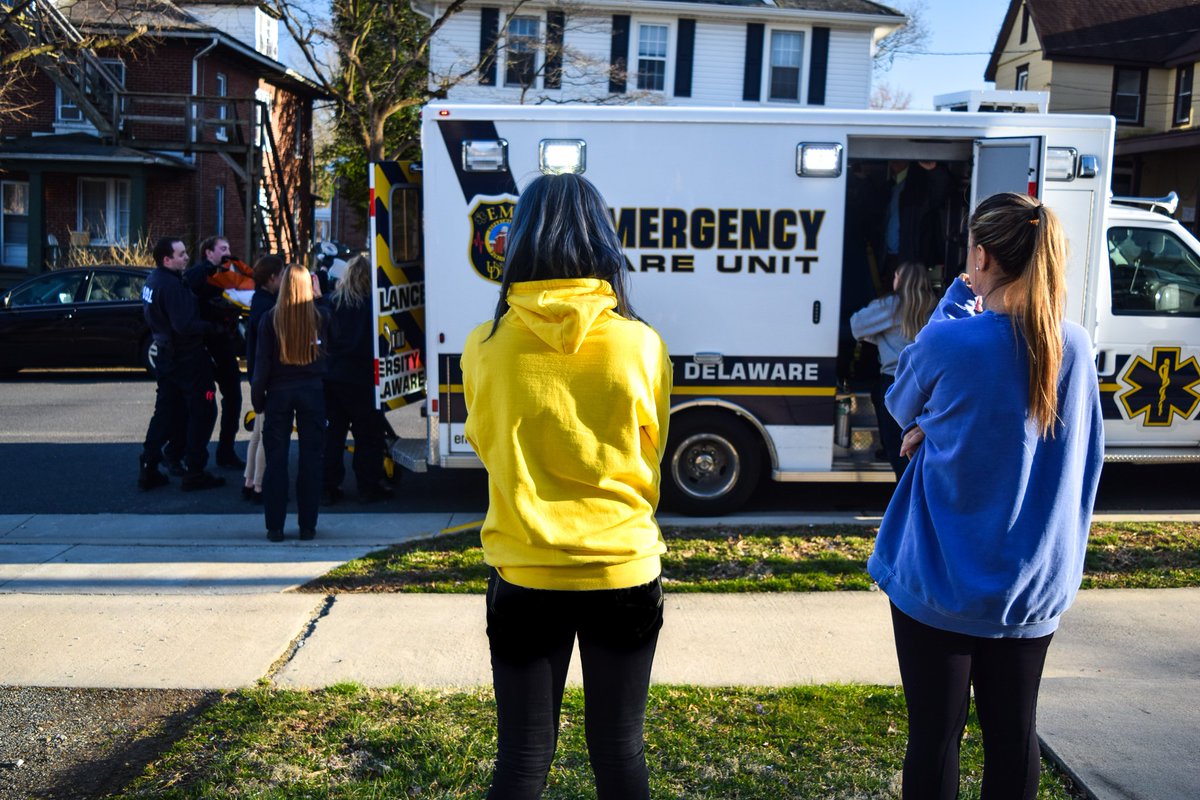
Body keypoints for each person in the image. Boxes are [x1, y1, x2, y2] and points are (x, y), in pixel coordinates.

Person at [867, 192, 1104, 799]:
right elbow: (1087, 457)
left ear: (981, 255)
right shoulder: (1073, 347)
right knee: (1013, 735)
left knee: (935, 739)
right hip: (1032, 587)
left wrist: (951, 306)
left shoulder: (951, 342)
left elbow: (899, 408)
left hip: (940, 581)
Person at [461, 173, 672, 800]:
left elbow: (485, 444)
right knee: (620, 751)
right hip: (624, 568)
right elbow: (650, 445)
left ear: (517, 243)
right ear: (603, 240)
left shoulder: (485, 345)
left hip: (526, 570)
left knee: (523, 760)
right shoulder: (640, 343)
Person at [138, 237, 225, 492]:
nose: (187, 257)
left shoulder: (153, 280)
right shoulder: (172, 286)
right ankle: (194, 470)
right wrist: (214, 327)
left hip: (167, 358)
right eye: (181, 254)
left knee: (166, 411)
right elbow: (184, 325)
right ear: (167, 259)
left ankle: (149, 465)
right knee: (205, 408)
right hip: (188, 358)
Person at [251, 264, 330, 542]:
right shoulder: (319, 317)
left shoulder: (270, 320)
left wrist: (257, 400)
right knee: (311, 460)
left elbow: (261, 367)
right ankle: (307, 526)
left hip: (279, 393)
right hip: (312, 391)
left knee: (276, 461)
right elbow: (335, 347)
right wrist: (321, 296)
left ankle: (275, 527)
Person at [850, 261, 937, 480]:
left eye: (896, 276)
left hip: (894, 383)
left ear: (901, 280)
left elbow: (856, 325)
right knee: (919, 445)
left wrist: (880, 335)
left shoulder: (891, 305)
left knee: (896, 446)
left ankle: (904, 498)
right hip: (928, 385)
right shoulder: (935, 305)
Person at [322, 254, 392, 504]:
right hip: (363, 379)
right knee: (368, 436)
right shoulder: (374, 305)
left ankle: (328, 487)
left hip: (332, 376)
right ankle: (368, 486)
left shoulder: (331, 302)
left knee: (333, 436)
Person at [181, 235, 251, 469]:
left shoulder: (223, 274)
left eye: (229, 246)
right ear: (208, 253)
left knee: (231, 398)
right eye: (223, 248)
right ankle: (190, 455)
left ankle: (223, 452)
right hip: (206, 347)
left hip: (221, 345)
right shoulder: (200, 274)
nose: (228, 251)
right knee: (205, 402)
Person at [241, 254, 285, 502]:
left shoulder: (258, 301)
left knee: (258, 432)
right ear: (272, 278)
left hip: (257, 374)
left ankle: (249, 480)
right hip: (266, 376)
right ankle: (259, 486)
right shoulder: (268, 306)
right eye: (281, 275)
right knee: (268, 435)